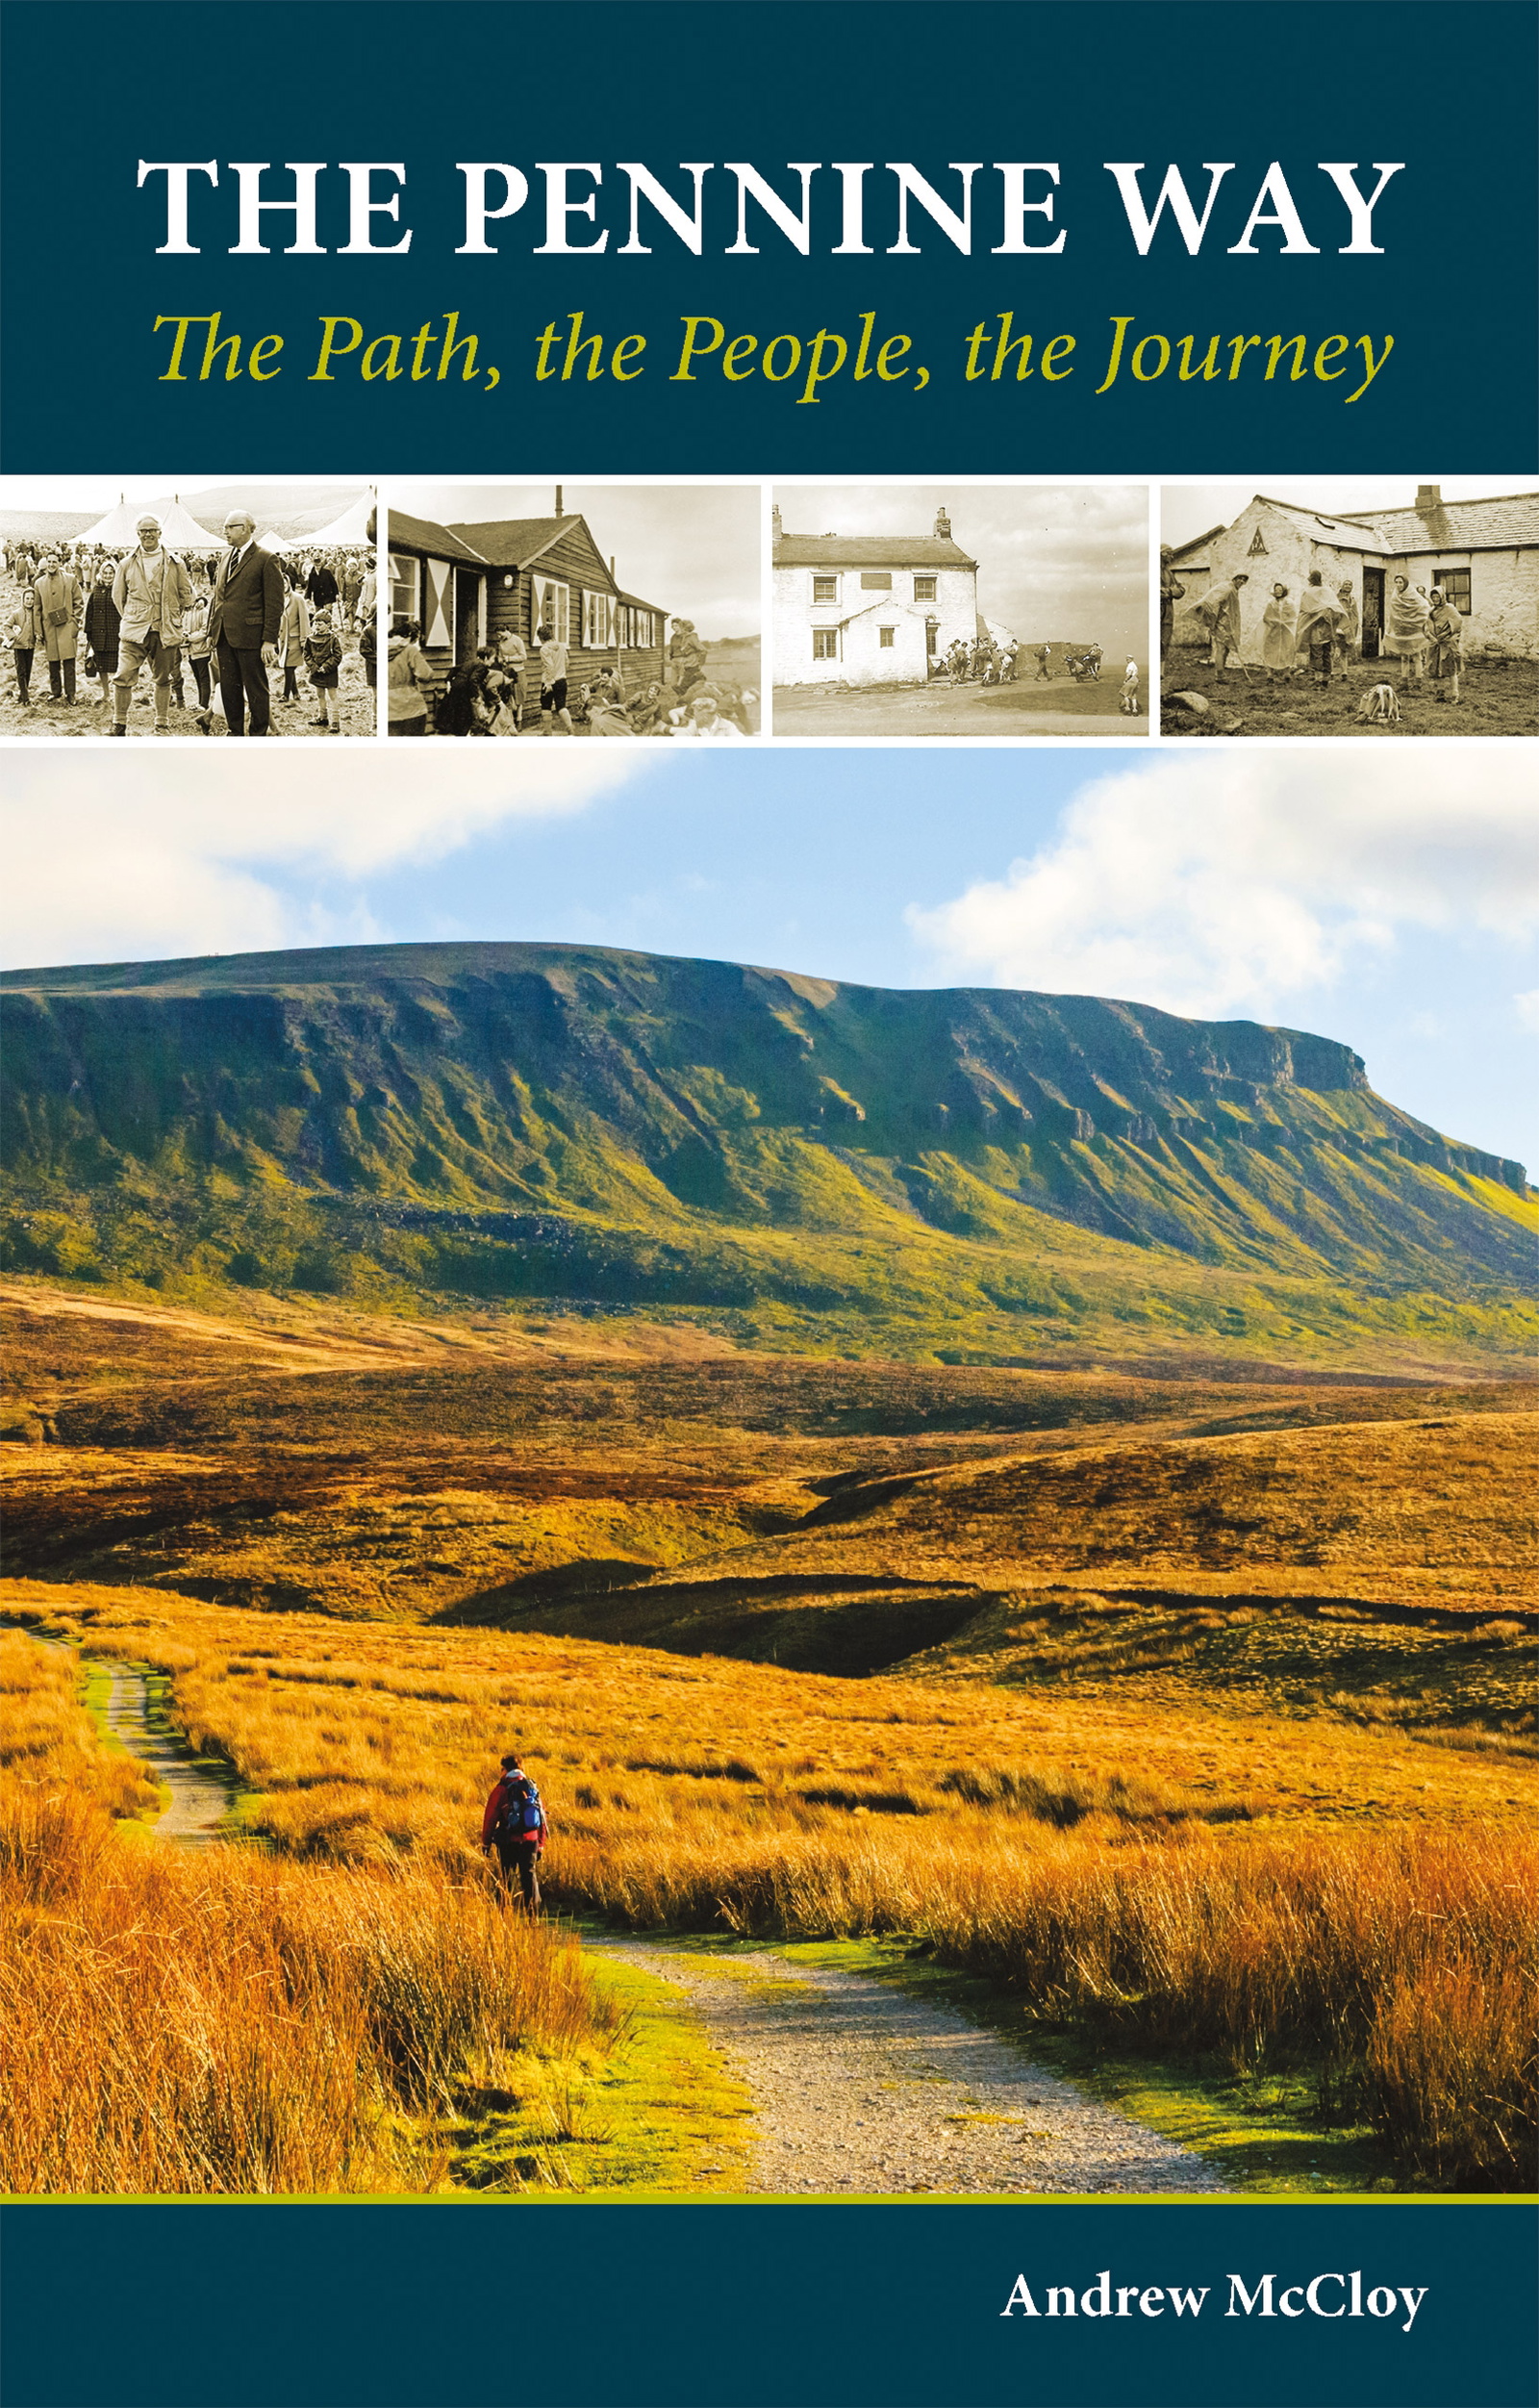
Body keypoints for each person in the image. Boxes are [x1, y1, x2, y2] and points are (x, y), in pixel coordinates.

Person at [110, 516, 191, 736]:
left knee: (164, 678)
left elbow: (186, 596)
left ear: (159, 533)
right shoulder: (126, 564)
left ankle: (161, 724)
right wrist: (135, 617)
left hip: (165, 631)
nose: (147, 534)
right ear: (138, 534)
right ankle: (119, 724)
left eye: (152, 530)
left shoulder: (176, 563)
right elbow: (119, 598)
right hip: (134, 632)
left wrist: (170, 617)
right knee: (123, 676)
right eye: (143, 531)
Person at [207, 512, 284, 736]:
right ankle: (235, 732)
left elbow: (274, 604)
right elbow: (218, 598)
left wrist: (269, 640)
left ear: (246, 528)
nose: (225, 531)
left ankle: (258, 734)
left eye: (230, 526)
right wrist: (212, 630)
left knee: (256, 689)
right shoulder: (224, 558)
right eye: (224, 526)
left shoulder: (266, 559)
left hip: (251, 638)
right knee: (230, 689)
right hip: (224, 636)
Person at [480, 1751, 547, 1909]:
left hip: (508, 1840)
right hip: (531, 1839)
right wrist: (541, 1843)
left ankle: (503, 1916)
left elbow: (490, 1818)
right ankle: (533, 1916)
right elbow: (542, 1817)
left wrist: (486, 1843)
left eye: (501, 1769)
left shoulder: (501, 1789)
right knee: (529, 1876)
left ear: (505, 1769)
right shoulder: (532, 1787)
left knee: (505, 1877)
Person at [34, 550, 83, 707]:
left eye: (54, 561)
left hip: (67, 627)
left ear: (60, 563)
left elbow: (79, 603)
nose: (51, 564)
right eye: (49, 561)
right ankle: (56, 692)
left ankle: (71, 694)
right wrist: (38, 630)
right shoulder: (39, 583)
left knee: (69, 662)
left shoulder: (70, 580)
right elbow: (37, 608)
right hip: (49, 628)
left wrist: (75, 622)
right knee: (53, 662)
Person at [81, 564, 121, 713]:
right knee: (102, 666)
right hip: (99, 635)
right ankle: (106, 693)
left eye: (111, 573)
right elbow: (89, 611)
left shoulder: (119, 589)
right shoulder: (96, 590)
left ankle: (119, 695)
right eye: (106, 572)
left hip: (115, 634)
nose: (108, 575)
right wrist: (89, 632)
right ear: (101, 573)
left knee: (118, 667)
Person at [1294, 571, 1341, 689]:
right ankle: (1325, 679)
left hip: (1316, 627)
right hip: (1326, 626)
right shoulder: (1326, 591)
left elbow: (1305, 609)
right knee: (1325, 653)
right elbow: (1333, 607)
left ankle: (1319, 679)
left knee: (1317, 654)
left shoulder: (1309, 592)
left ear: (1311, 579)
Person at [1193, 572, 1248, 672]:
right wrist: (1213, 621)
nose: (1241, 581)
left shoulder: (1234, 590)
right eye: (1240, 578)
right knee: (1221, 648)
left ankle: (1221, 672)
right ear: (1234, 579)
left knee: (1226, 648)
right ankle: (1219, 674)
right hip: (1221, 623)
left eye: (1244, 580)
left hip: (1228, 624)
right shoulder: (1228, 589)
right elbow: (1214, 602)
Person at [1383, 574, 1430, 684]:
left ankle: (1418, 680)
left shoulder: (1413, 594)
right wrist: (1392, 627)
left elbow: (1424, 607)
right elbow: (1393, 613)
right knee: (1404, 656)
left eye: (1401, 582)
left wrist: (1418, 622)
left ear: (1406, 583)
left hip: (1414, 630)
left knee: (1416, 656)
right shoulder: (1395, 595)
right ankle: (1404, 680)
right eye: (1397, 582)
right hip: (1402, 630)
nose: (1399, 585)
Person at [388, 618, 433, 732]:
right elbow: (426, 674)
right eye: (414, 640)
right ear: (408, 636)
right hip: (410, 708)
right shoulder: (410, 650)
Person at [304, 605, 344, 731]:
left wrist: (325, 667)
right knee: (319, 694)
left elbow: (337, 656)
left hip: (329, 672)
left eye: (320, 623)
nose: (317, 626)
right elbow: (306, 654)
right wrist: (314, 667)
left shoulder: (333, 639)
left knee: (333, 696)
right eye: (315, 623)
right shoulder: (310, 638)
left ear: (328, 625)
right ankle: (323, 718)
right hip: (316, 672)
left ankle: (335, 722)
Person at [1425, 586, 1465, 705]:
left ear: (1442, 596)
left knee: (1451, 670)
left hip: (1447, 644)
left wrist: (1446, 635)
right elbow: (1426, 626)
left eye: (1437, 596)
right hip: (1435, 644)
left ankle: (1455, 695)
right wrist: (1431, 636)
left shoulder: (1450, 608)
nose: (1435, 599)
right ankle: (1440, 694)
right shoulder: (1431, 611)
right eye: (1433, 597)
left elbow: (1457, 623)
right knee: (1437, 670)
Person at [275, 574, 312, 704]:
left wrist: (304, 640)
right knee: (287, 666)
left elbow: (304, 620)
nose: (283, 586)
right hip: (282, 639)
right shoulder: (276, 598)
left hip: (294, 638)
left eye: (285, 583)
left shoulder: (297, 599)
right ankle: (296, 693)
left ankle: (285, 694)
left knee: (288, 667)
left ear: (289, 583)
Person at [6, 582, 42, 708]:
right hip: (19, 647)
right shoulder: (16, 613)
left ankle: (22, 695)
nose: (29, 601)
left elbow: (38, 627)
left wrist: (39, 635)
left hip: (30, 646)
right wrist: (15, 637)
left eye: (32, 599)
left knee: (28, 671)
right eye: (27, 598)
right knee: (21, 671)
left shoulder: (35, 614)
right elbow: (6, 626)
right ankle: (26, 699)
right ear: (23, 599)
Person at [538, 621, 573, 735]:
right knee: (561, 706)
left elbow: (549, 667)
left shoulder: (544, 649)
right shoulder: (562, 646)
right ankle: (570, 729)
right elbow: (567, 663)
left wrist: (548, 683)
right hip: (562, 680)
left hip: (549, 681)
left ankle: (547, 732)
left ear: (541, 637)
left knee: (546, 706)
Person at [1261, 582, 1297, 678]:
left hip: (1286, 631)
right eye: (1276, 590)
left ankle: (1286, 672)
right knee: (1270, 650)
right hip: (1273, 631)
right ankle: (1270, 673)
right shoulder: (1271, 604)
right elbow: (1266, 617)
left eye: (1280, 590)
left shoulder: (1290, 603)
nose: (1278, 592)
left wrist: (1286, 622)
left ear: (1284, 591)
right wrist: (1272, 623)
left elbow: (1293, 617)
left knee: (1287, 649)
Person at [1159, 545, 1185, 656]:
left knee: (1165, 640)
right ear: (1162, 554)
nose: (1172, 556)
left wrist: (1168, 592)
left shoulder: (1169, 572)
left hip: (1168, 608)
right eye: (1169, 553)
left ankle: (1161, 672)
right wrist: (1171, 591)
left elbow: (1181, 590)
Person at [1333, 582, 1360, 677]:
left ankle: (1344, 671)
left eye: (1350, 585)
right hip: (1338, 627)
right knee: (1336, 648)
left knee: (1344, 649)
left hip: (1348, 628)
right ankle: (1332, 670)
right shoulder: (1336, 598)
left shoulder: (1352, 600)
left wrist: (1354, 626)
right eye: (1346, 584)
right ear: (1342, 586)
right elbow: (1334, 612)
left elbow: (1355, 615)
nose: (1348, 586)